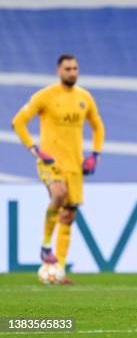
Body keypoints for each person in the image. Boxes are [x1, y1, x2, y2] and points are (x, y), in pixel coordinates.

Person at [12, 54, 105, 283]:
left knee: (69, 215)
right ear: (58, 71)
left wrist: (95, 154)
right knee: (59, 194)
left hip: (75, 166)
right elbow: (18, 121)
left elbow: (98, 126)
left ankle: (59, 269)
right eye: (68, 69)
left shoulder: (84, 97)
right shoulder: (45, 96)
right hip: (50, 163)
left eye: (75, 68)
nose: (72, 72)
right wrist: (34, 149)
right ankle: (45, 246)